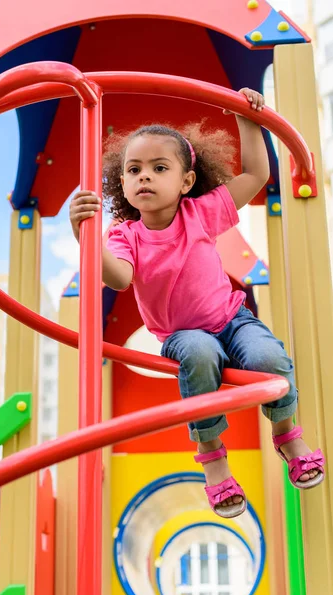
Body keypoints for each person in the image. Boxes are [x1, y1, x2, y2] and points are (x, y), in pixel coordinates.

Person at [70, 88, 325, 518]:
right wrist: (84, 237)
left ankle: (286, 434)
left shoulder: (201, 213)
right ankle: (213, 457)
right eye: (134, 170)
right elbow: (118, 278)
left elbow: (257, 174)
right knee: (199, 352)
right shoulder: (124, 235)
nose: (144, 177)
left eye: (158, 167)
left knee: (269, 358)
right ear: (123, 183)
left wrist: (247, 117)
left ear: (186, 181)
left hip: (232, 318)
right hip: (182, 334)